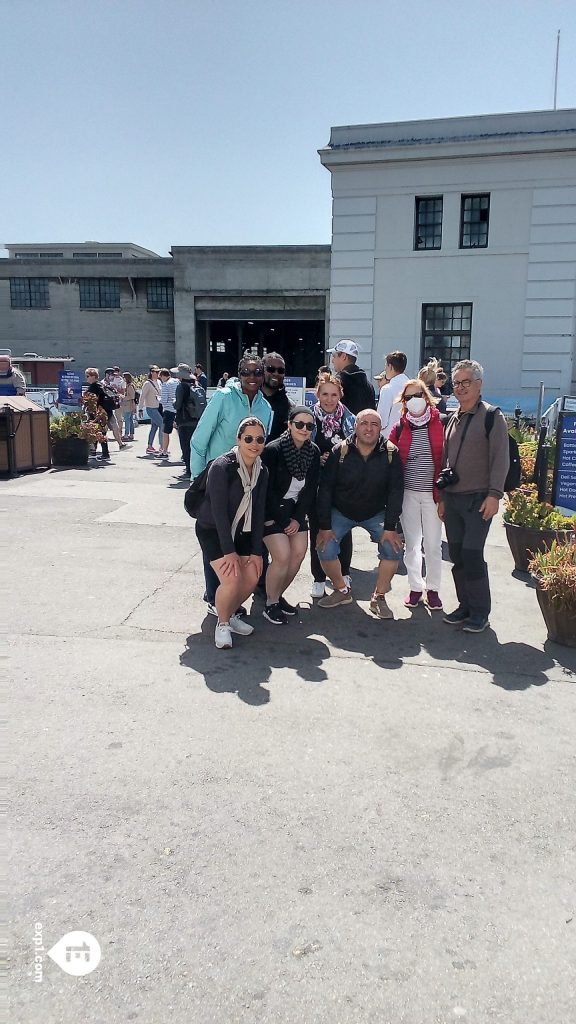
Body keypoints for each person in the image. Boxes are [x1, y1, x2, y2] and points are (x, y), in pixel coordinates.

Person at [191, 354, 273, 616]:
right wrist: (197, 479)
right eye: (247, 372)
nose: (252, 377)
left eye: (257, 372)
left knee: (236, 538)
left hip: (245, 486)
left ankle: (227, 595)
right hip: (216, 479)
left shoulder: (266, 408)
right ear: (239, 374)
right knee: (214, 533)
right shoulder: (223, 397)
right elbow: (200, 438)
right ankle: (215, 597)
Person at [438, 359, 510, 634]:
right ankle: (465, 606)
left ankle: (481, 612)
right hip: (453, 499)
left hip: (479, 499)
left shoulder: (493, 416)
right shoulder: (452, 418)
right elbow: (445, 459)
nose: (460, 388)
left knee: (472, 553)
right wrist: (442, 498)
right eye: (456, 383)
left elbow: (500, 460)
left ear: (479, 384)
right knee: (457, 553)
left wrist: (494, 495)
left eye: (466, 382)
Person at [316, 409, 404, 619]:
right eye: (364, 423)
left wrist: (391, 527)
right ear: (355, 426)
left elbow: (395, 491)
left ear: (380, 428)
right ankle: (341, 590)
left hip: (375, 513)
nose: (369, 428)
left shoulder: (391, 452)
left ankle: (379, 597)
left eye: (374, 424)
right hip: (342, 510)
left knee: (393, 549)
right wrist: (325, 526)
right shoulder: (340, 451)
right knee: (324, 547)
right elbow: (325, 489)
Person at [195, 418, 269, 650]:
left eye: (259, 439)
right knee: (232, 577)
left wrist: (257, 553)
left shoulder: (262, 471)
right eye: (248, 439)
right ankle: (223, 623)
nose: (254, 444)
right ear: (238, 440)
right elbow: (218, 512)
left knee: (252, 575)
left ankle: (230, 612)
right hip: (213, 529)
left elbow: (258, 512)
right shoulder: (222, 466)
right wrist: (229, 552)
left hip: (242, 529)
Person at [260, 408, 320, 624]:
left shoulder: (312, 452)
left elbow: (310, 489)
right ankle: (270, 603)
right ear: (289, 425)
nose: (304, 429)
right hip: (271, 511)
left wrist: (296, 518)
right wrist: (284, 521)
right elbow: (265, 492)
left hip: (295, 511)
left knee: (298, 553)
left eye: (309, 426)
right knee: (283, 555)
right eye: (299, 424)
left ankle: (276, 596)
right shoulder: (273, 450)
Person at [389, 379, 445, 610]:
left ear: (426, 395)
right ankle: (415, 587)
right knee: (412, 544)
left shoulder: (441, 422)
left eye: (418, 395)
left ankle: (433, 589)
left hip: (433, 495)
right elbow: (389, 458)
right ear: (403, 402)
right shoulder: (399, 428)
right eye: (408, 397)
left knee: (433, 545)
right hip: (408, 494)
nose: (414, 401)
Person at [309, 373, 356, 599]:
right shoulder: (308, 418)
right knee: (318, 530)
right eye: (325, 394)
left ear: (340, 395)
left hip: (342, 485)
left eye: (334, 394)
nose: (329, 399)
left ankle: (343, 572)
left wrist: (337, 460)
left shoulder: (350, 420)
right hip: (315, 484)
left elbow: (358, 453)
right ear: (317, 394)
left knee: (343, 530)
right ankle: (318, 577)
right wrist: (317, 458)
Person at [173, 364, 206, 477]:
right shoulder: (197, 384)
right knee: (195, 446)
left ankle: (189, 470)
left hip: (184, 420)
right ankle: (197, 468)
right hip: (197, 420)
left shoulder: (181, 387)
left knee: (185, 446)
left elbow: (177, 405)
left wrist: (174, 402)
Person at [328, 340, 376, 415]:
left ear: (344, 357)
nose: (332, 361)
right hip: (364, 425)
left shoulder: (337, 382)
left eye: (334, 356)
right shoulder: (369, 385)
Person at [376, 351, 410, 439]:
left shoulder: (387, 389)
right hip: (409, 435)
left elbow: (381, 421)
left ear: (390, 366)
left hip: (390, 438)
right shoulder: (411, 386)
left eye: (386, 366)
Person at [261, 352, 293, 442]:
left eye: (280, 371)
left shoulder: (289, 406)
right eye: (271, 369)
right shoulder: (250, 399)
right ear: (261, 370)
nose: (276, 373)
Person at [84, 368, 113, 460]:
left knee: (99, 432)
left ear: (93, 376)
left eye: (88, 376)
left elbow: (89, 401)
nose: (86, 378)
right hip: (105, 412)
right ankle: (94, 452)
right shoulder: (101, 385)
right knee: (97, 431)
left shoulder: (93, 387)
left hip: (98, 413)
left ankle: (105, 454)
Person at [138, 366, 164, 454]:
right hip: (151, 408)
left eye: (158, 372)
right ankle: (162, 446)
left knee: (154, 427)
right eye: (156, 372)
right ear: (152, 373)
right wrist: (140, 408)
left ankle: (150, 446)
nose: (158, 374)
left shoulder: (159, 382)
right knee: (162, 425)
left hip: (157, 407)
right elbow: (142, 396)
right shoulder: (147, 384)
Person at [102, 368, 126, 447]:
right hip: (102, 410)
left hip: (109, 409)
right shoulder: (103, 384)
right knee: (103, 429)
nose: (113, 377)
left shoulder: (110, 384)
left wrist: (118, 396)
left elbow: (113, 394)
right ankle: (95, 449)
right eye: (112, 375)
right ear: (107, 375)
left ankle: (120, 444)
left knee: (115, 427)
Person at [159, 368, 179, 459]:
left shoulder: (165, 384)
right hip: (178, 410)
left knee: (165, 432)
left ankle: (164, 452)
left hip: (168, 410)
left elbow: (163, 400)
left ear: (163, 376)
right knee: (180, 432)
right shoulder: (176, 381)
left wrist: (158, 399)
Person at [121, 372, 136, 440]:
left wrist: (123, 397)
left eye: (123, 377)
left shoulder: (130, 386)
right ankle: (131, 434)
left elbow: (132, 396)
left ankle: (127, 434)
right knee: (130, 420)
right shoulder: (126, 385)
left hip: (128, 405)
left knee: (127, 420)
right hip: (127, 405)